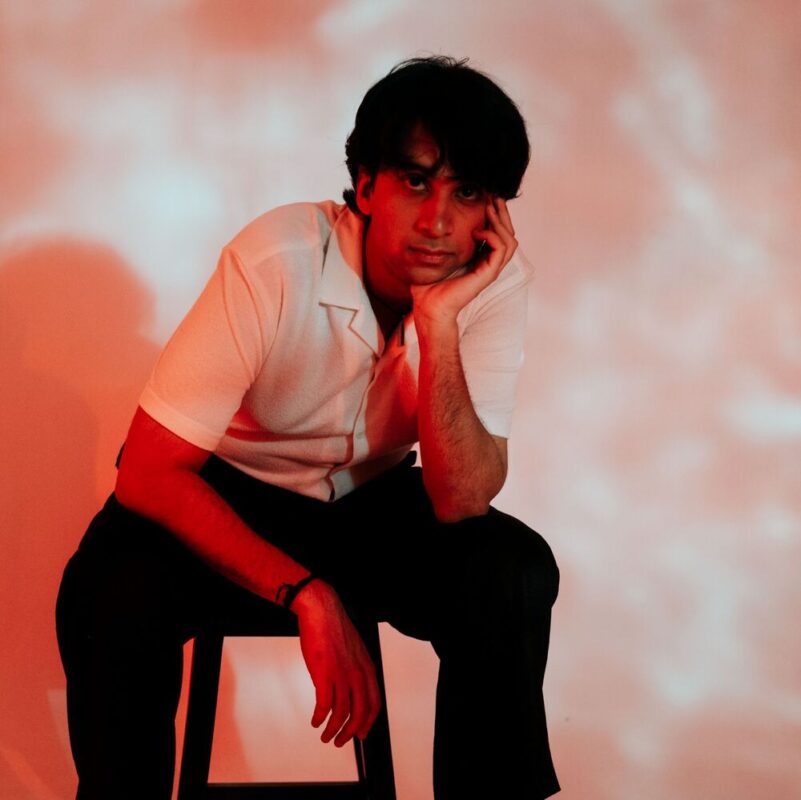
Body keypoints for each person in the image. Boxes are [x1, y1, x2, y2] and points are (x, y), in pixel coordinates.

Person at [56, 55, 561, 799]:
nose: (437, 221)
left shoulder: (488, 285)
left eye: (467, 192)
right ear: (366, 184)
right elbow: (149, 473)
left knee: (512, 571)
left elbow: (460, 502)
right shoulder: (279, 257)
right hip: (231, 496)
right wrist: (308, 595)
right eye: (415, 182)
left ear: (493, 212)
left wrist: (440, 323)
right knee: (110, 589)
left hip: (372, 509)